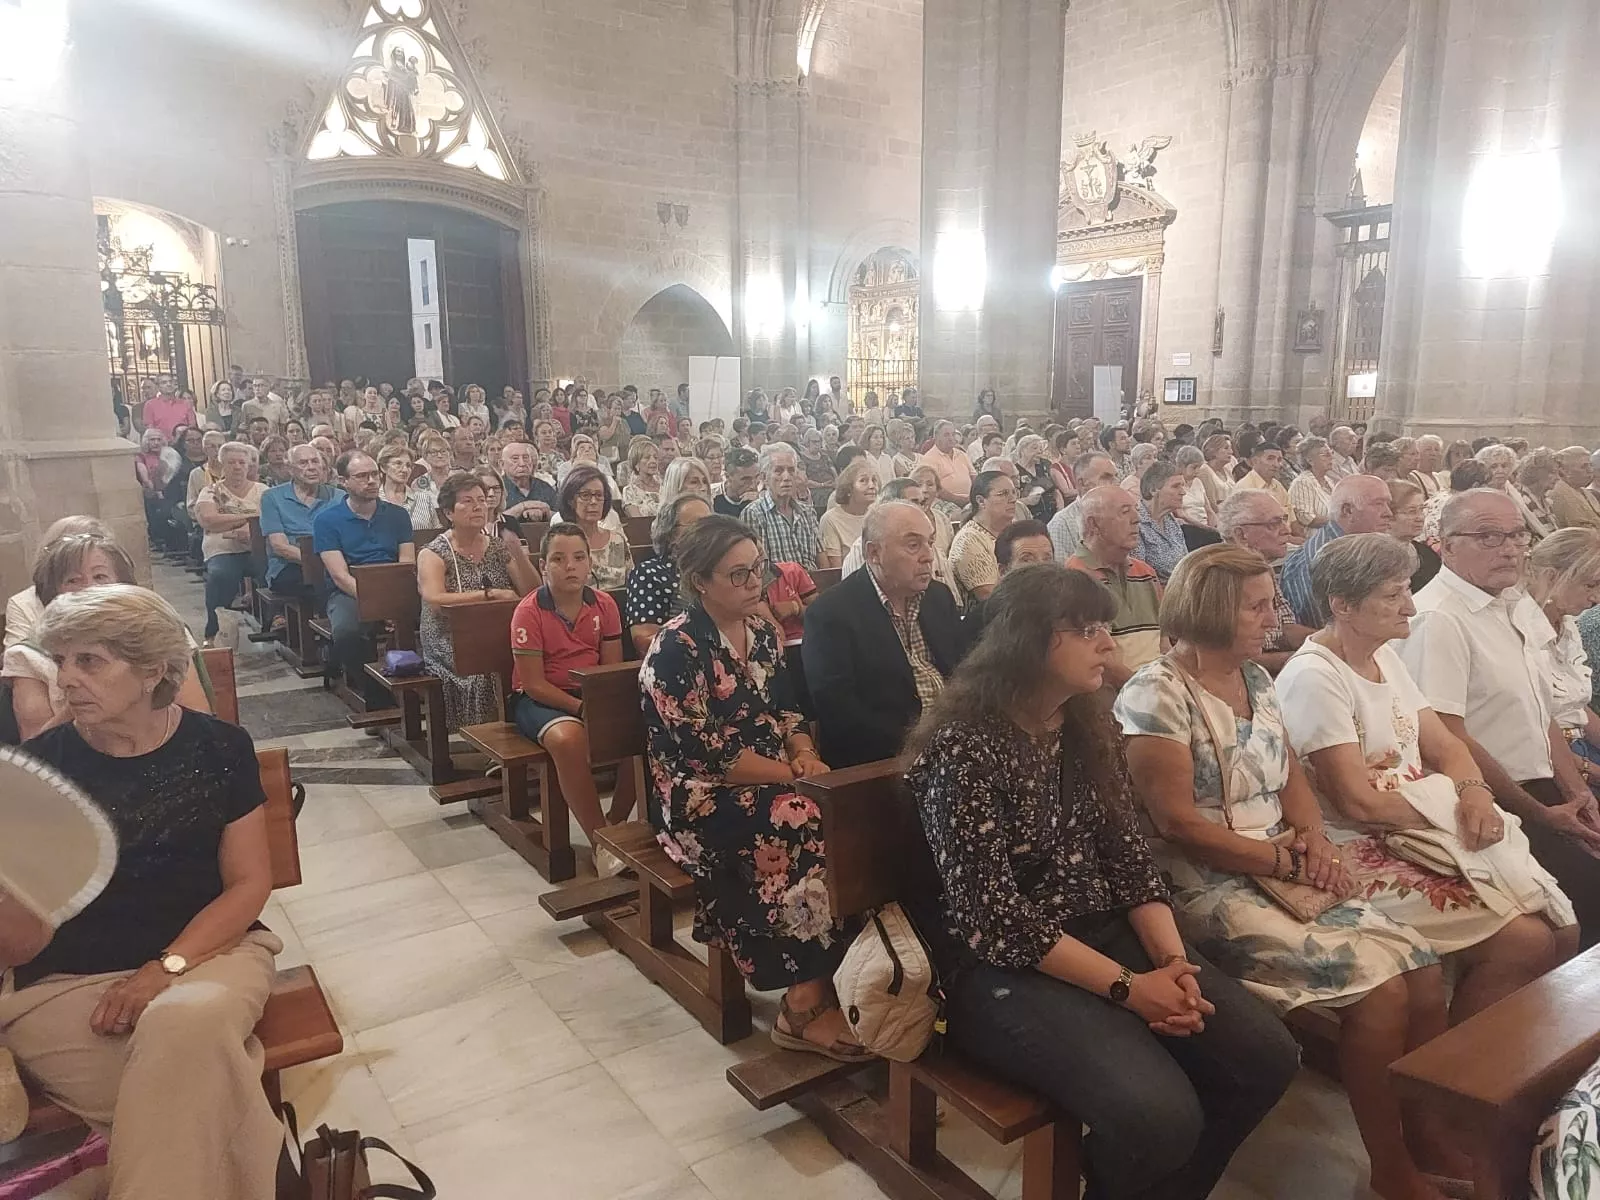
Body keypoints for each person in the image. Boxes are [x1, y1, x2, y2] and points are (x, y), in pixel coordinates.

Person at [1114, 545, 1521, 1200]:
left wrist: (1314, 841)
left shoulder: (1254, 679)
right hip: (1201, 878)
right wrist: (1282, 857)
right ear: (1214, 609)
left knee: (1419, 968)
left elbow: (1292, 776)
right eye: (1258, 605)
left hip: (1282, 858)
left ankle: (1419, 1134)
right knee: (1380, 993)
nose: (1274, 615)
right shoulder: (1155, 692)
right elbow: (1177, 825)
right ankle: (1390, 1168)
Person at [906, 564, 1298, 1200]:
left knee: (1267, 1061)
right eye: (1087, 631)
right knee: (1160, 1117)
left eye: (1106, 629)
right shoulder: (963, 748)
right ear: (1027, 639)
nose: (1109, 645)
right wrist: (1132, 990)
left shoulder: (1086, 726)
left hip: (1103, 931)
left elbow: (1128, 860)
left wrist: (1173, 967)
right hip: (1000, 971)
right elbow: (995, 919)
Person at [1, 586, 282, 1200]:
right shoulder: (35, 770)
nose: (67, 680)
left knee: (187, 1021)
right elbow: (21, 944)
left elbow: (249, 883)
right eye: (61, 662)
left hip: (211, 953)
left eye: (90, 662)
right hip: (67, 986)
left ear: (153, 668)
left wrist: (164, 968)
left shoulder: (219, 748)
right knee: (199, 1100)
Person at [1277, 532, 1574, 978]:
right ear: (1342, 605)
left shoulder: (1384, 657)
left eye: (1407, 591)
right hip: (1359, 844)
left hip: (1422, 824)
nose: (1410, 607)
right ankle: (1469, 1048)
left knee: (1561, 926)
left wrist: (1474, 793)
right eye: (1392, 595)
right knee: (1526, 940)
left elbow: (1446, 745)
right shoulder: (1315, 677)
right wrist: (1451, 809)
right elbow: (1358, 803)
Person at [639, 517, 861, 1059]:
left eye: (757, 569)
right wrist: (791, 775)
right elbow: (705, 753)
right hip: (695, 795)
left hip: (770, 778)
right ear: (699, 581)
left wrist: (803, 752)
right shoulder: (674, 649)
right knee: (799, 818)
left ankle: (840, 967)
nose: (753, 583)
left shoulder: (762, 632)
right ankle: (801, 1000)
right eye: (737, 574)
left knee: (846, 810)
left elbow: (786, 708)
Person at [1398, 489, 1600, 947]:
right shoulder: (1439, 619)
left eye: (1516, 535)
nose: (1510, 547)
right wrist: (1539, 813)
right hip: (1489, 801)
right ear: (1445, 545)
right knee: (1587, 899)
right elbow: (1447, 738)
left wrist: (1577, 790)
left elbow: (1539, 708)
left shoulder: (1512, 606)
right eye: (1488, 536)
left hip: (1543, 787)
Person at [803, 501, 967, 767]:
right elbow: (840, 712)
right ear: (874, 552)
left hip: (952, 748)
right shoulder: (831, 614)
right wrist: (925, 744)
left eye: (930, 542)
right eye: (913, 545)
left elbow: (963, 672)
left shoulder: (938, 597)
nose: (928, 556)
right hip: (881, 762)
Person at [417, 471, 537, 730]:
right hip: (449, 636)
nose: (478, 506)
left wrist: (518, 553)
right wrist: (489, 595)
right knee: (484, 672)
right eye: (468, 501)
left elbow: (530, 591)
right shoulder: (434, 552)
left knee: (532, 660)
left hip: (497, 630)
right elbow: (435, 600)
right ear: (449, 512)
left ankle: (528, 731)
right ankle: (490, 740)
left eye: (481, 500)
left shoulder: (497, 546)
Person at [313, 451, 415, 709]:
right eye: (361, 476)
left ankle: (423, 690)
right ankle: (377, 695)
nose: (371, 481)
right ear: (343, 481)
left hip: (394, 586)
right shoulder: (327, 520)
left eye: (374, 475)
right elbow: (339, 574)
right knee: (348, 632)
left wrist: (392, 602)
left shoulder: (397, 515)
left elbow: (406, 562)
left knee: (437, 619)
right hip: (350, 591)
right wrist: (377, 605)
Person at [1066, 486, 1163, 687]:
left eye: (1135, 510)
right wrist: (1144, 690)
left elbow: (1164, 641)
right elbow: (1098, 658)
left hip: (1155, 688)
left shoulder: (1145, 572)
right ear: (1094, 524)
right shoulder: (1075, 577)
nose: (1137, 519)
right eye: (1125, 512)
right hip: (1112, 696)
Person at [1524, 529, 1600, 779]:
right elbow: (1534, 726)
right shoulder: (1522, 630)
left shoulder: (1566, 625)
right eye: (1589, 585)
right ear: (1553, 576)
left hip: (1580, 745)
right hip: (1548, 761)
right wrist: (1590, 770)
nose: (1596, 597)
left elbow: (1578, 707)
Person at [1216, 489, 1311, 673]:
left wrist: (1331, 643)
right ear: (1241, 534)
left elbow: (1285, 629)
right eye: (1275, 523)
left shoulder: (1261, 567)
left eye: (1284, 520)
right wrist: (1306, 660)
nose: (1287, 530)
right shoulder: (1221, 577)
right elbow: (1233, 660)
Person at [1281, 473, 1395, 625]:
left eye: (1388, 504)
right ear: (1347, 511)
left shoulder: (1359, 549)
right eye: (1378, 504)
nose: (1389, 513)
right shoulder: (1320, 562)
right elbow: (1329, 632)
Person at [192, 441, 266, 646]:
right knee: (221, 575)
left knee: (273, 570)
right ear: (222, 464)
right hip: (222, 550)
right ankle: (213, 631)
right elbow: (209, 520)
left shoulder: (262, 491)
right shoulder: (211, 492)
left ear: (249, 465)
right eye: (231, 462)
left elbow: (270, 520)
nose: (237, 467)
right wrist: (252, 517)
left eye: (241, 462)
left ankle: (273, 619)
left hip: (256, 548)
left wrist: (230, 517)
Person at [626, 494, 712, 657]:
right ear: (672, 534)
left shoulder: (719, 569)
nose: (707, 532)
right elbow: (644, 643)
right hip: (677, 660)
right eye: (697, 525)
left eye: (710, 525)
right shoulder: (650, 574)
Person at [258, 443, 342, 595]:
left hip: (334, 563)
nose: (311, 467)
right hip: (290, 566)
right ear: (290, 469)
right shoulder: (272, 497)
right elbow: (279, 546)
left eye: (315, 461)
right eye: (303, 463)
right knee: (321, 583)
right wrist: (319, 563)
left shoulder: (339, 496)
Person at [963, 519, 1055, 637]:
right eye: (1027, 560)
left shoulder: (1068, 611)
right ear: (1003, 570)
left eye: (1047, 558)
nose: (1041, 567)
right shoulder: (982, 621)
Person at [742, 442, 822, 572]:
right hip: (779, 588)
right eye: (778, 471)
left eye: (791, 470)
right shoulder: (754, 513)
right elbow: (759, 567)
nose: (786, 477)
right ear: (764, 478)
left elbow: (820, 556)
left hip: (813, 584)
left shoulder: (807, 511)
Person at [558, 464, 631, 590]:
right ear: (570, 500)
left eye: (599, 495)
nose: (593, 501)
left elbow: (632, 583)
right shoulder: (560, 543)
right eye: (585, 495)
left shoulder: (618, 540)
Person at [1048, 452, 1120, 562]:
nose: (1116, 483)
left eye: (1116, 476)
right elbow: (1061, 571)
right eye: (1106, 477)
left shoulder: (1124, 514)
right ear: (1081, 483)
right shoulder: (1062, 523)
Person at [817, 459, 879, 570]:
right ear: (848, 489)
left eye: (874, 480)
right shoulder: (830, 519)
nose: (872, 485)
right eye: (863, 481)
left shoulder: (878, 515)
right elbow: (836, 570)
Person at [1136, 461, 1191, 584]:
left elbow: (1185, 562)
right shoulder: (1136, 523)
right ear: (1153, 490)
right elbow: (1139, 577)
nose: (1183, 492)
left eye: (1183, 486)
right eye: (1176, 486)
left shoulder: (1170, 520)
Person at [1387, 479, 1441, 592]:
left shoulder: (1428, 555)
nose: (1420, 518)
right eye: (1412, 511)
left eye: (1421, 510)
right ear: (1388, 515)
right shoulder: (1376, 559)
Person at [919, 421, 975, 508]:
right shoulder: (929, 459)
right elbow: (936, 489)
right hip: (943, 502)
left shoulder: (962, 454)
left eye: (953, 434)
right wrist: (959, 500)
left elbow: (974, 477)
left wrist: (973, 496)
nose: (951, 438)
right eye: (946, 435)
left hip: (969, 500)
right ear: (936, 437)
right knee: (959, 514)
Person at [1510, 449, 1560, 544]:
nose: (1558, 478)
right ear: (1537, 472)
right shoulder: (1520, 500)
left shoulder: (1545, 500)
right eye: (1553, 472)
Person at [1288, 436, 1336, 530]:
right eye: (1326, 454)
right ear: (1310, 460)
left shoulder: (1329, 481)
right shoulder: (1302, 483)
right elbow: (1306, 518)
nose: (1331, 457)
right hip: (1314, 538)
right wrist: (1338, 521)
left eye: (1331, 453)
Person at [1550, 446, 1600, 530]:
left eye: (1590, 465)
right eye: (1584, 466)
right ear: (1564, 470)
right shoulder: (1560, 494)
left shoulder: (1584, 491)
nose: (1590, 470)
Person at [620, 436, 664, 517]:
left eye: (655, 457)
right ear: (636, 463)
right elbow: (637, 521)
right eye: (647, 458)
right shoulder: (630, 491)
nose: (653, 461)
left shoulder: (665, 488)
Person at [1174, 445, 1213, 527]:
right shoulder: (1174, 485)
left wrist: (1214, 526)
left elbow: (1209, 510)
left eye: (1199, 467)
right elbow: (1180, 514)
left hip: (1206, 526)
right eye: (1194, 467)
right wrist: (1205, 528)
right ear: (1181, 466)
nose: (1197, 471)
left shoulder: (1198, 482)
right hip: (1189, 527)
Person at [716, 446, 761, 517]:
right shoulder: (711, 497)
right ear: (727, 477)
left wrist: (759, 505)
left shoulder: (763, 497)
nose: (753, 485)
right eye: (745, 479)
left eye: (756, 477)